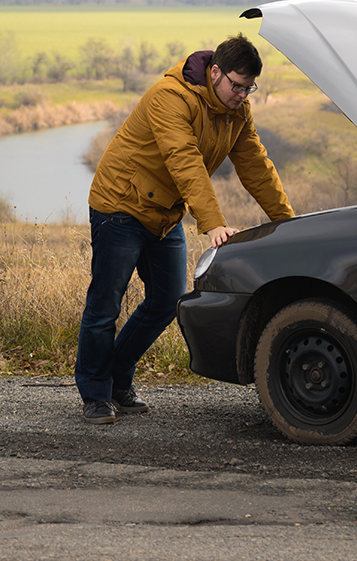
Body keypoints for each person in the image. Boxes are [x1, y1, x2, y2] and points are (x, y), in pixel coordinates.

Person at [75, 33, 295, 424]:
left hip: (165, 211)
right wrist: (212, 223)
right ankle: (95, 393)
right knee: (105, 305)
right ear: (216, 72)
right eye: (237, 85)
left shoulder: (236, 112)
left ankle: (117, 377)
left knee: (167, 301)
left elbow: (256, 167)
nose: (242, 95)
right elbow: (184, 160)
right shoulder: (171, 97)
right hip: (121, 205)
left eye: (249, 88)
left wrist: (286, 222)